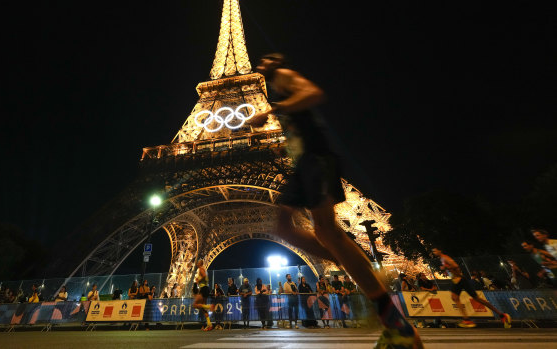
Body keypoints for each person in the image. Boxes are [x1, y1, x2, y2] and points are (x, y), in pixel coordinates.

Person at [249, 52, 422, 347]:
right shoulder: (280, 87)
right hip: (303, 163)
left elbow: (314, 93)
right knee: (287, 229)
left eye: (266, 61)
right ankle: (360, 270)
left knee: (327, 232)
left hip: (316, 159)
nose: (260, 64)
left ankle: (394, 322)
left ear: (275, 62)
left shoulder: (286, 77)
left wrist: (272, 110)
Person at [432, 248, 511, 328]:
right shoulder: (442, 259)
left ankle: (467, 320)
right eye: (433, 251)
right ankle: (501, 315)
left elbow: (455, 265)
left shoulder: (445, 257)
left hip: (459, 279)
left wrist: (446, 268)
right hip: (458, 279)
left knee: (458, 298)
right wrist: (447, 270)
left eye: (435, 251)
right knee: (472, 298)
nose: (434, 252)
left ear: (440, 251)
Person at [193, 260, 213, 331]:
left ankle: (209, 306)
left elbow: (204, 276)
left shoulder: (201, 269)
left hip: (203, 288)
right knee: (203, 308)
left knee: (195, 304)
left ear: (200, 264)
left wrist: (198, 280)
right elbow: (205, 276)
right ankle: (209, 324)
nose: (197, 263)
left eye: (198, 262)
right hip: (206, 288)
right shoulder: (204, 269)